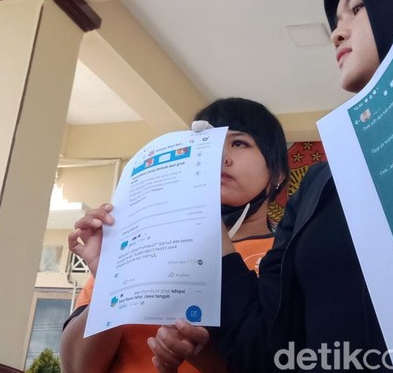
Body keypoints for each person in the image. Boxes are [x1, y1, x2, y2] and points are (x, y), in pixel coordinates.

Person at [148, 0, 393, 373]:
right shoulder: (318, 188)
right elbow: (264, 347)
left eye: (357, 9)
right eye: (335, 21)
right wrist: (198, 212)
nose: (337, 33)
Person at [60, 97, 288, 373]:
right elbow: (76, 368)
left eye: (239, 143)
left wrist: (205, 355)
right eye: (208, 144)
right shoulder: (136, 247)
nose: (220, 157)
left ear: (278, 173)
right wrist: (110, 281)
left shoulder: (289, 255)